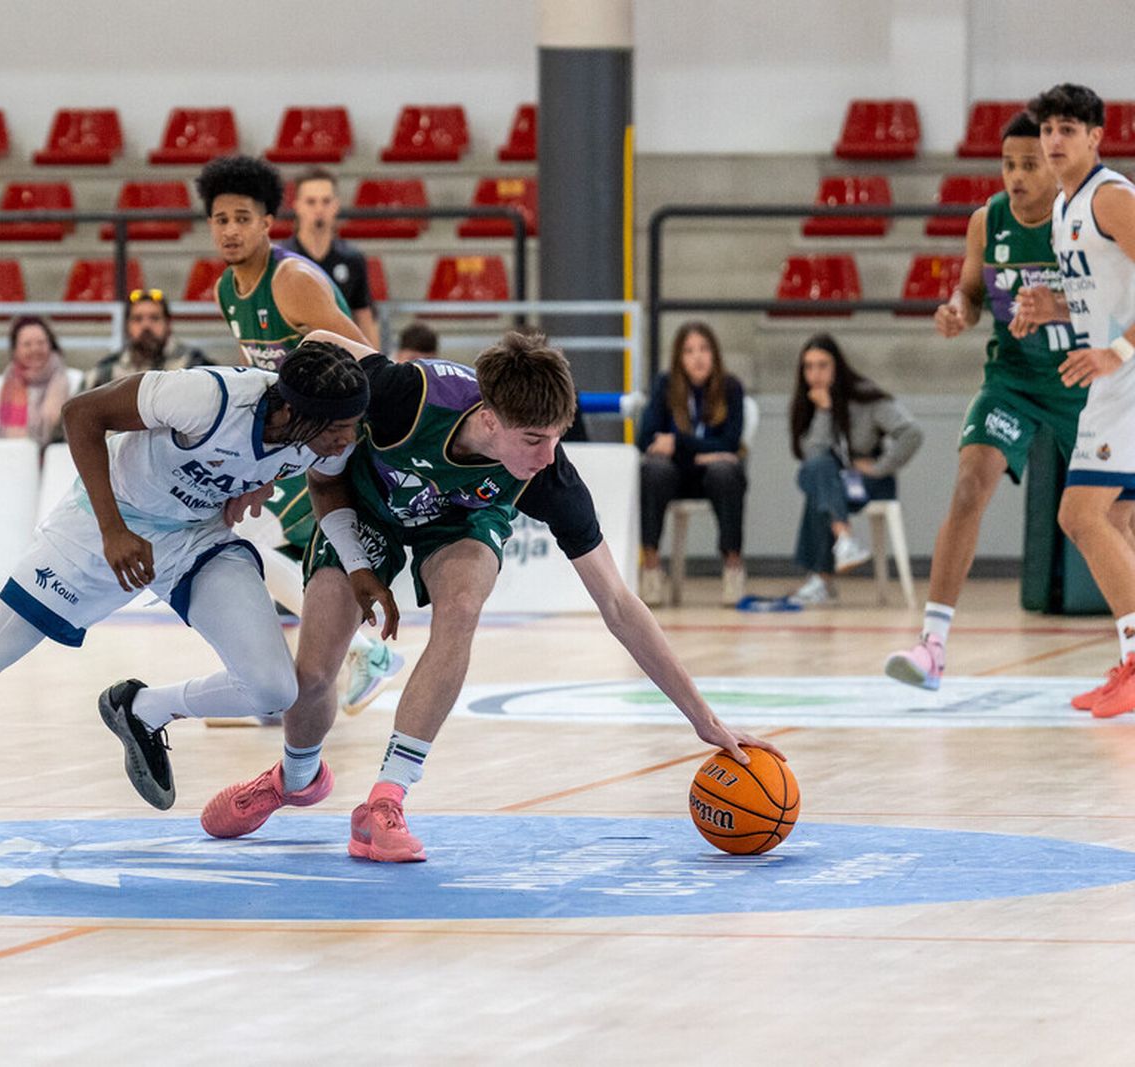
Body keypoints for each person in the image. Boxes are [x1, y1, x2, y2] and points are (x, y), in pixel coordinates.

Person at [200, 330, 782, 862]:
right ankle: (295, 778)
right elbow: (320, 341)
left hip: (457, 526)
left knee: (462, 609)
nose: (549, 455)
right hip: (364, 510)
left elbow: (619, 606)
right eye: (534, 439)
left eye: (558, 438)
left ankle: (385, 800)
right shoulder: (408, 394)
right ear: (490, 415)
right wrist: (262, 465)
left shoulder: (548, 476)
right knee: (313, 675)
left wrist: (703, 719)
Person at [0, 338, 370, 856]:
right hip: (105, 526)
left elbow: (303, 465)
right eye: (338, 428)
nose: (348, 439)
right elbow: (80, 414)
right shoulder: (205, 397)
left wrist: (258, 480)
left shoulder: (323, 430)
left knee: (274, 688)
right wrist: (114, 529)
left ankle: (142, 709)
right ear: (292, 409)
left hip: (196, 537)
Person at [198, 153, 401, 713]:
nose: (232, 229)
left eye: (244, 218)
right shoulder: (226, 290)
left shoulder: (291, 282)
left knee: (258, 542)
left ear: (268, 223)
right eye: (221, 219)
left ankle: (356, 655)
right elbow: (265, 374)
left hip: (337, 433)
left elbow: (367, 359)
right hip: (294, 435)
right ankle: (280, 680)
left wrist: (342, 439)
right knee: (256, 544)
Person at [885, 111, 1079, 689]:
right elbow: (971, 291)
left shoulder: (1083, 219)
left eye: (1030, 164)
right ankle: (933, 646)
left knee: (1112, 517)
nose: (1016, 176)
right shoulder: (986, 221)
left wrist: (1058, 307)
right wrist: (957, 312)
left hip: (1082, 379)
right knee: (970, 484)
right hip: (1014, 381)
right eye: (1008, 164)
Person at [1010, 84, 1135, 718]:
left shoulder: (1110, 198)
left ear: (1095, 137)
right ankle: (1131, 655)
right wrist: (1053, 307)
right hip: (1110, 378)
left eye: (1068, 129)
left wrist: (1120, 351)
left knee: (1081, 516)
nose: (1054, 140)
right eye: (1048, 129)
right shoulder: (1066, 206)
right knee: (1115, 523)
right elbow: (1108, 292)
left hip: (1128, 376)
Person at [788, 334, 923, 604]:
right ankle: (844, 539)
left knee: (820, 485)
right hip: (834, 479)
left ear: (837, 366)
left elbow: (912, 432)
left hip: (871, 481)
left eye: (822, 365)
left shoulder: (864, 397)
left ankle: (821, 579)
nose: (815, 374)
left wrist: (880, 466)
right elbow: (811, 454)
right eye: (808, 367)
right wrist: (824, 411)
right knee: (817, 472)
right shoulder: (807, 404)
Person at [636, 322, 748, 607]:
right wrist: (702, 453)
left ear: (715, 354)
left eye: (704, 349)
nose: (697, 357)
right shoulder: (665, 385)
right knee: (653, 469)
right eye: (689, 351)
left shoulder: (731, 388)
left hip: (712, 478)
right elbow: (645, 437)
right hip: (674, 477)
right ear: (679, 357)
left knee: (726, 471)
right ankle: (650, 567)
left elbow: (731, 444)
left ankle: (733, 567)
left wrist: (679, 445)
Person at [283, 167, 379, 346]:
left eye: (326, 201)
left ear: (336, 205)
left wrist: (377, 366)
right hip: (294, 355)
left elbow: (364, 315)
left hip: (342, 357)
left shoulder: (352, 259)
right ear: (297, 206)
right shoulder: (282, 260)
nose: (319, 209)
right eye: (311, 202)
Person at [0, 315, 81, 448]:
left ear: (51, 345)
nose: (35, 349)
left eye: (41, 343)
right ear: (15, 350)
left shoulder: (75, 380)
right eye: (27, 344)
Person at [88, 289, 208, 388]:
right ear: (126, 326)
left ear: (168, 324)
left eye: (155, 318)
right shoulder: (106, 373)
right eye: (138, 319)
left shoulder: (195, 365)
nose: (146, 326)